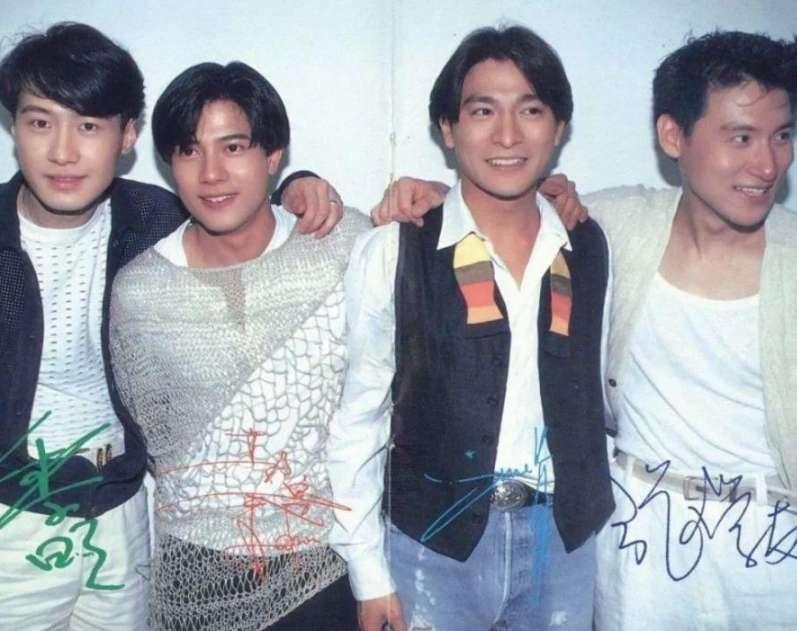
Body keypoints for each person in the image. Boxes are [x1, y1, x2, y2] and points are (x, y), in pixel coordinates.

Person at [376, 29, 797, 631]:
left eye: (782, 136)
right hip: (640, 546)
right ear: (673, 135)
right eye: (741, 137)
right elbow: (503, 202)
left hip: (775, 544)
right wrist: (422, 194)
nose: (767, 164)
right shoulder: (618, 226)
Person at [0, 22, 341, 630]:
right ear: (13, 128)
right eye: (40, 122)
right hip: (12, 517)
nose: (63, 152)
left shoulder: (153, 219)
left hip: (121, 511)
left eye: (88, 126)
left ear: (127, 136)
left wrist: (299, 185)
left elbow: (238, 207)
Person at [327, 25, 613, 631]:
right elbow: (358, 417)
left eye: (530, 110)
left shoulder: (589, 246)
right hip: (432, 547)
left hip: (564, 545)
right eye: (483, 111)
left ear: (559, 128)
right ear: (448, 128)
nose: (507, 135)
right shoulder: (395, 249)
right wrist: (368, 571)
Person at [109, 60, 368, 630]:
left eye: (233, 147)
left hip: (331, 564)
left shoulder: (343, 243)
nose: (211, 174)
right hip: (197, 570)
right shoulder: (141, 291)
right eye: (189, 150)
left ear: (273, 155)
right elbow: (153, 435)